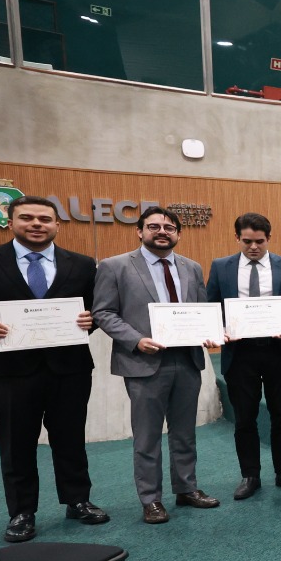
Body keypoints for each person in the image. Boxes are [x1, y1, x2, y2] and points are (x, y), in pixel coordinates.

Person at [0, 195, 108, 543]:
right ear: (11, 222)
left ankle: (77, 500)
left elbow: (97, 309)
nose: (36, 224)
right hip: (7, 370)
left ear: (56, 225)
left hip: (69, 369)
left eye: (44, 219)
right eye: (27, 218)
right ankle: (22, 511)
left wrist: (90, 321)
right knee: (16, 444)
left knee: (71, 439)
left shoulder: (81, 264)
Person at [92, 206, 222, 524]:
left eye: (169, 227)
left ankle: (186, 488)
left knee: (184, 432)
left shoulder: (191, 268)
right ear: (140, 231)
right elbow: (104, 312)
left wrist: (209, 332)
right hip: (143, 361)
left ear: (178, 233)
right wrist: (136, 340)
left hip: (187, 359)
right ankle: (150, 499)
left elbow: (201, 309)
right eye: (154, 226)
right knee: (147, 436)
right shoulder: (115, 266)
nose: (162, 231)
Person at [206, 212, 281, 501]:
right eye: (247, 241)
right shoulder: (221, 267)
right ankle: (250, 475)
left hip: (279, 352)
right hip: (240, 355)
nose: (253, 247)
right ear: (237, 237)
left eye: (259, 241)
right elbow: (211, 307)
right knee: (245, 419)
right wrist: (220, 330)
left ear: (268, 239)